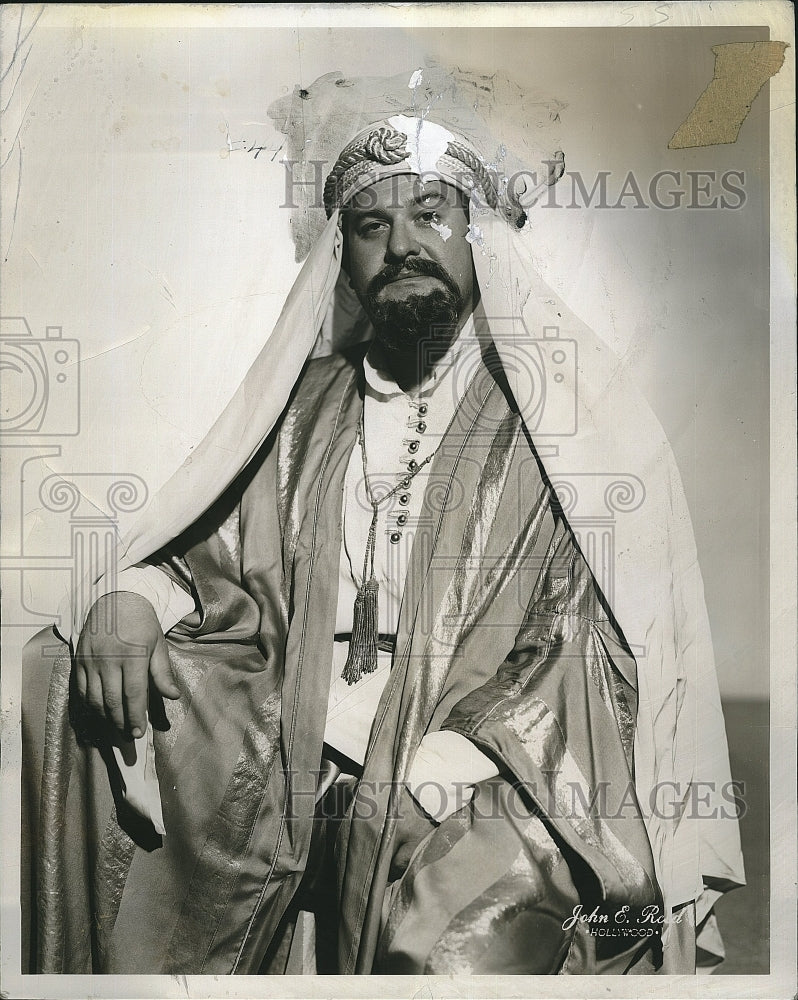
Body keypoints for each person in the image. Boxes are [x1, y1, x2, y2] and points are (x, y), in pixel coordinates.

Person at [21, 70, 744, 976]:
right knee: (62, 672)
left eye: (431, 214)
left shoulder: (561, 423)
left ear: (478, 236)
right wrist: (129, 600)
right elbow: (214, 558)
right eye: (372, 224)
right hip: (287, 722)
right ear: (346, 254)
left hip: (485, 757)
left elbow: (584, 646)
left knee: (459, 929)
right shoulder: (305, 408)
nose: (402, 245)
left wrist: (442, 769)